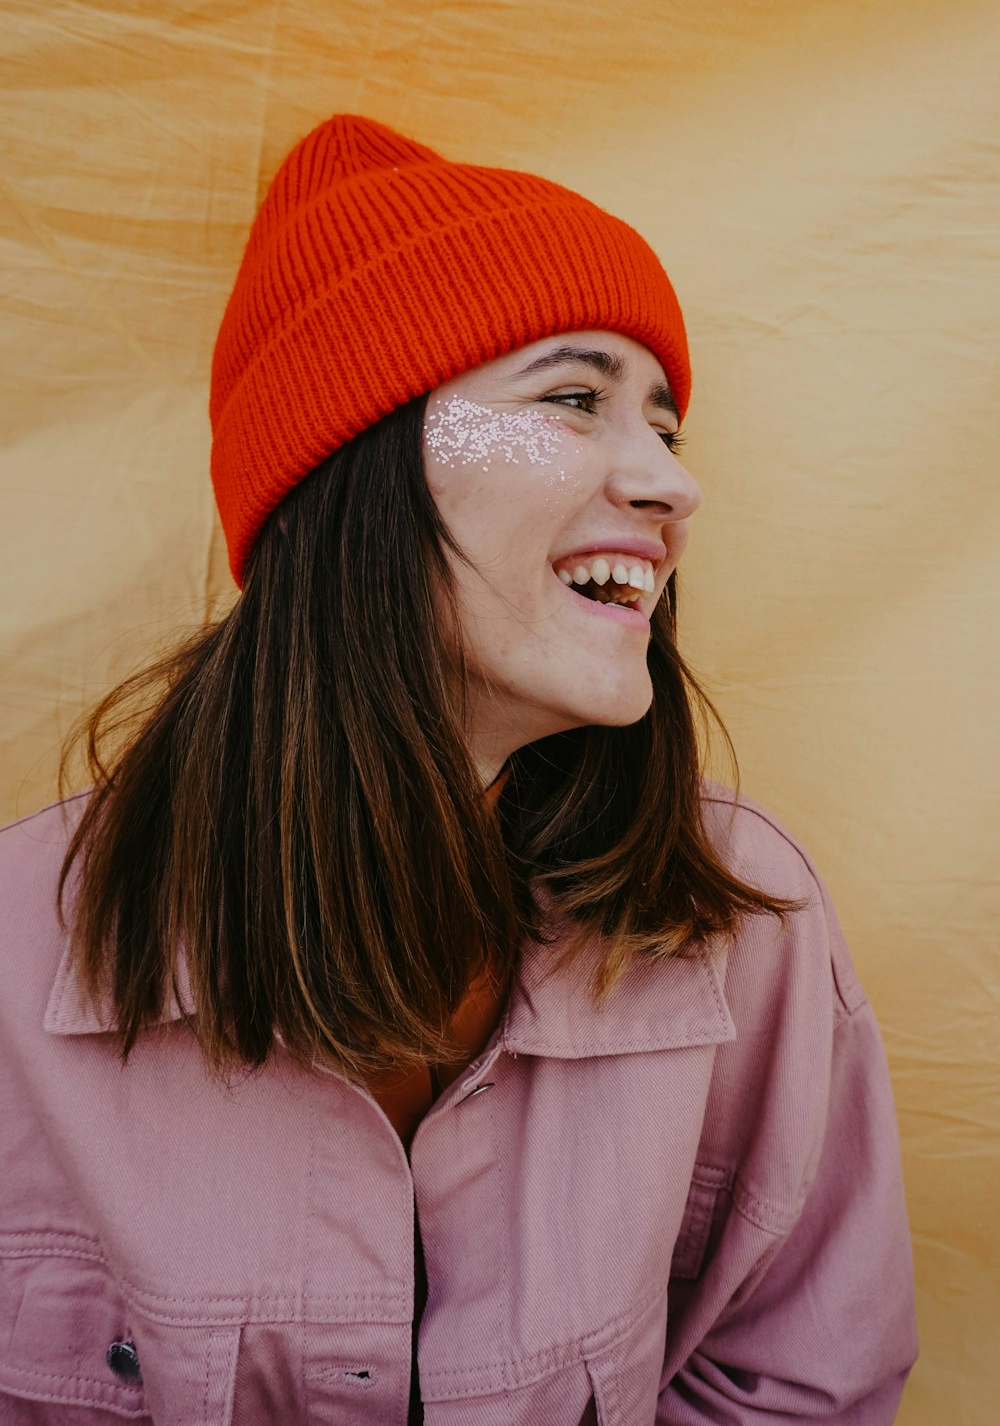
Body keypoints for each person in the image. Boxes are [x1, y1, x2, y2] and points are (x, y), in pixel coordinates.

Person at [0, 115, 917, 1424]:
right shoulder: (15, 952)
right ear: (353, 468)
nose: (673, 484)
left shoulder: (742, 919)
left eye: (665, 424)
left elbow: (799, 1377)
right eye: (572, 397)